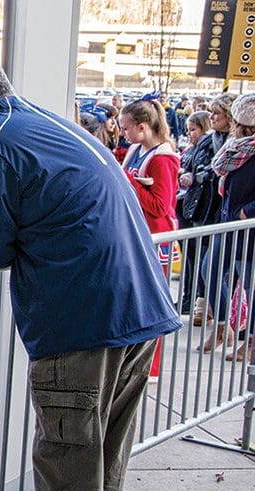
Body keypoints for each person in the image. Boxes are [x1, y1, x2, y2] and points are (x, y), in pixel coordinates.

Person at [0, 59, 180, 491]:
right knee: (104, 468)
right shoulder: (55, 124)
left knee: (68, 470)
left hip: (79, 321)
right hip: (140, 309)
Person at [119, 94, 181, 381]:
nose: (123, 133)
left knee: (152, 303)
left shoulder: (163, 158)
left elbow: (161, 204)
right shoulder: (135, 151)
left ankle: (150, 367)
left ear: (143, 127)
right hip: (137, 234)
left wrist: (130, 182)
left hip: (156, 239)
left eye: (126, 127)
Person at [201, 94, 255, 359]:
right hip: (227, 222)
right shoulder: (234, 148)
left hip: (247, 227)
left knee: (250, 284)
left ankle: (252, 340)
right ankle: (223, 326)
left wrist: (248, 212)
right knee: (209, 269)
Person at [176, 111, 218, 318]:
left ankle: (195, 298)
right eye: (188, 130)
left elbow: (206, 173)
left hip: (198, 207)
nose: (190, 134)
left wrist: (194, 175)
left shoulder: (209, 146)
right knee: (190, 256)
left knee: (197, 257)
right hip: (188, 205)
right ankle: (188, 296)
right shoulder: (193, 148)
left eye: (193, 129)